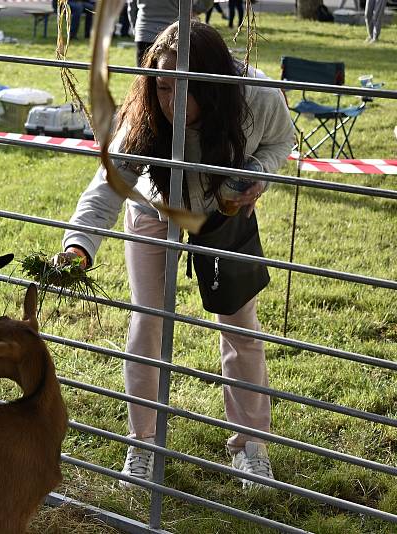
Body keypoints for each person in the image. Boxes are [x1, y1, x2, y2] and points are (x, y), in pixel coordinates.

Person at [60, 20, 294, 488]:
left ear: (218, 84)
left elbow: (280, 142)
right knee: (148, 320)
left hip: (225, 208)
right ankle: (142, 443)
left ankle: (250, 445)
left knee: (241, 326)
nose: (174, 104)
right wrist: (78, 245)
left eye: (190, 89)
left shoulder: (257, 97)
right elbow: (109, 184)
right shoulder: (145, 116)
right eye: (164, 88)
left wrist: (254, 173)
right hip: (155, 206)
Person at [132, 0, 208, 66]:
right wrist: (195, 9)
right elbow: (205, 3)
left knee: (145, 77)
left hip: (146, 31)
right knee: (174, 77)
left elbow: (132, 6)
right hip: (176, 34)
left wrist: (136, 30)